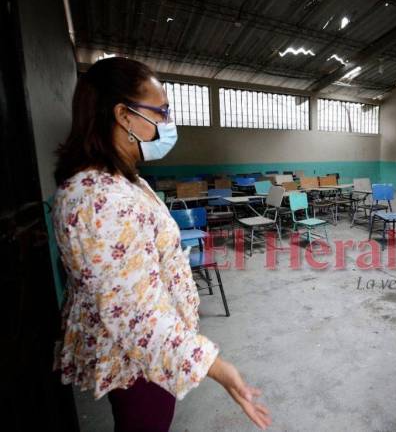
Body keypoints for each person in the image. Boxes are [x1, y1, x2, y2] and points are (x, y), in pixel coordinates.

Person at [52, 57, 271, 431]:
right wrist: (217, 367)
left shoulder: (123, 181)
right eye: (162, 110)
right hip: (139, 358)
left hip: (155, 352)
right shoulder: (98, 200)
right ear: (124, 115)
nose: (169, 123)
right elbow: (134, 315)